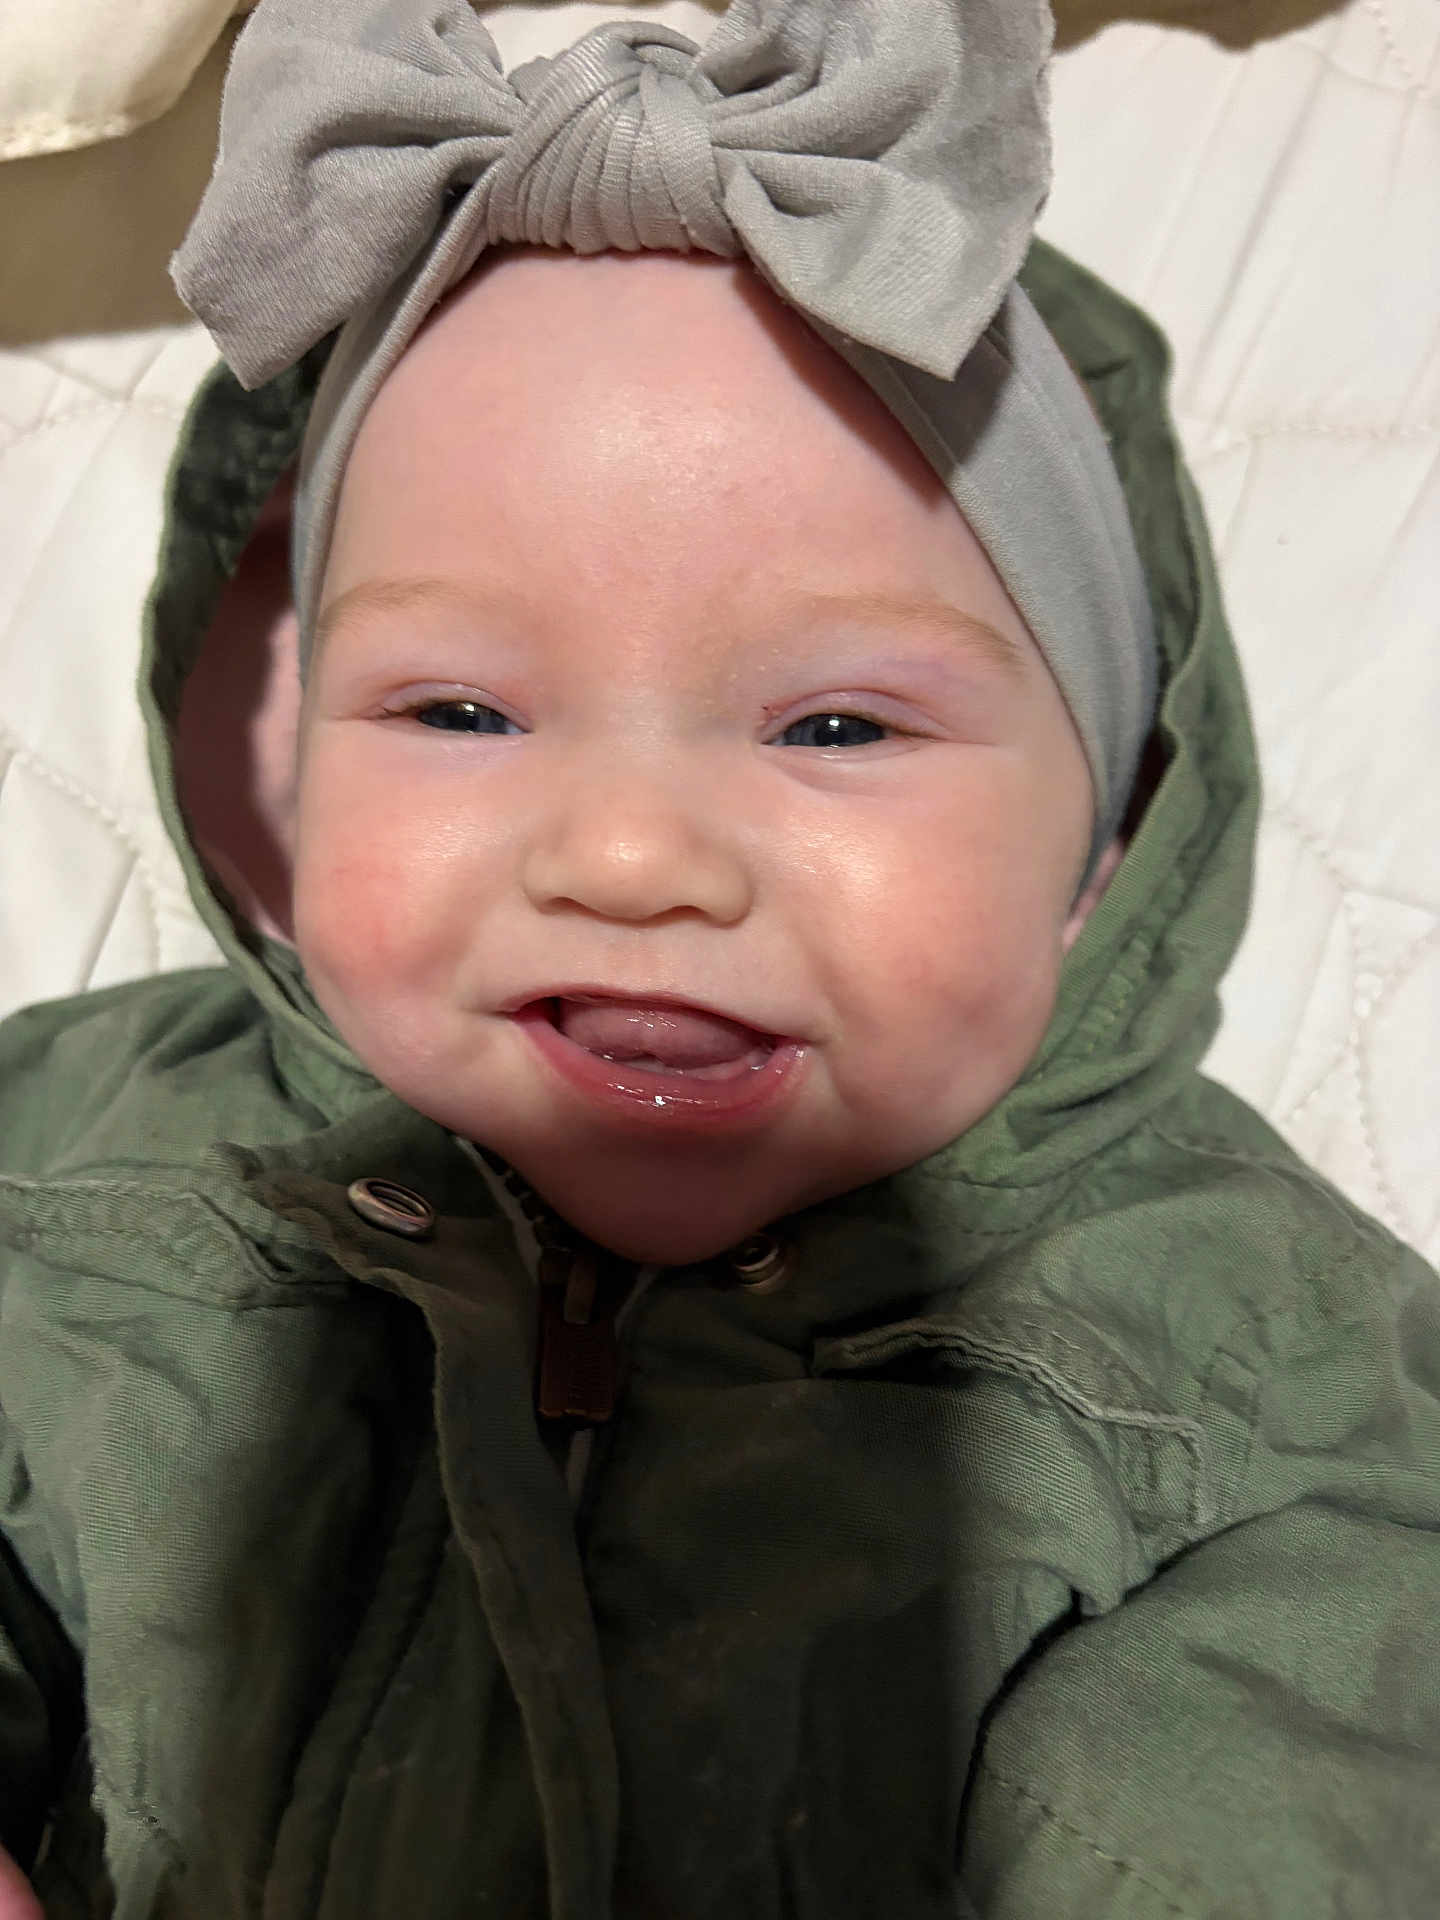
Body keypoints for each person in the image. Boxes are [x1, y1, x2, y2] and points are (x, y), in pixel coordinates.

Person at [1, 1, 1437, 1915]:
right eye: (457, 710)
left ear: (1106, 845)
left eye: (835, 730)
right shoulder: (71, 1152)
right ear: (270, 761)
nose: (627, 858)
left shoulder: (1280, 1371)